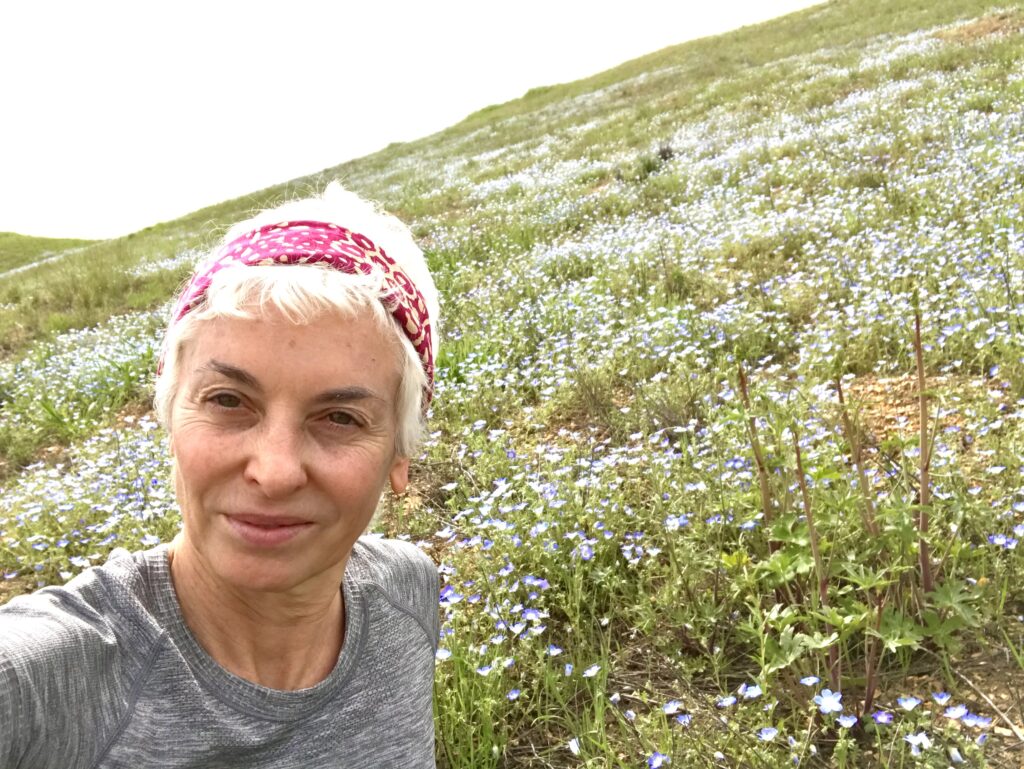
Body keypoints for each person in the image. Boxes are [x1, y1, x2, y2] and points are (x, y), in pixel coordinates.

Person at [0, 183, 442, 768]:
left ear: (399, 457)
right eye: (229, 401)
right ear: (169, 418)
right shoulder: (47, 680)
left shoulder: (408, 594)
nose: (275, 471)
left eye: (339, 417)